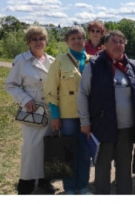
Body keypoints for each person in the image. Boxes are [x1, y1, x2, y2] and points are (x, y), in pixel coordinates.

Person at [78, 30, 135, 195]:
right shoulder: (93, 65)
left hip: (126, 127)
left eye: (121, 41)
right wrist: (85, 121)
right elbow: (83, 94)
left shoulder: (133, 66)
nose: (118, 45)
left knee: (124, 166)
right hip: (102, 126)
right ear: (105, 45)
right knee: (102, 167)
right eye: (114, 41)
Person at [4, 26, 55, 195]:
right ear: (28, 42)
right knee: (31, 148)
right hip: (32, 110)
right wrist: (25, 100)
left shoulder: (52, 61)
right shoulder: (21, 60)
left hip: (50, 108)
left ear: (46, 41)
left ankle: (44, 180)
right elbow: (10, 85)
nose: (38, 42)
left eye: (41, 38)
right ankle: (25, 184)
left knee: (48, 146)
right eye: (34, 39)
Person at [45, 26, 91, 194]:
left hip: (87, 116)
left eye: (80, 38)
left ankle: (83, 186)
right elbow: (51, 89)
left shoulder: (91, 61)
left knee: (85, 153)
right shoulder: (59, 61)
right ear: (67, 42)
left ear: (85, 40)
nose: (77, 41)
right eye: (73, 38)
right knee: (69, 152)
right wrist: (55, 115)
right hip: (67, 115)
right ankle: (70, 188)